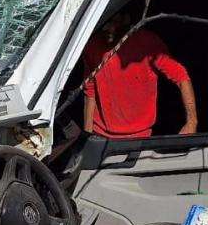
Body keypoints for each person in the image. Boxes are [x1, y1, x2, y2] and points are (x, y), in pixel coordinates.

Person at [81, 11, 198, 139]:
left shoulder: (147, 43)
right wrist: (87, 135)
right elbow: (90, 91)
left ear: (126, 19)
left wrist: (191, 122)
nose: (106, 28)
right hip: (100, 136)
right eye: (103, 22)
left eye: (111, 22)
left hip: (139, 138)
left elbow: (181, 77)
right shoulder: (92, 45)